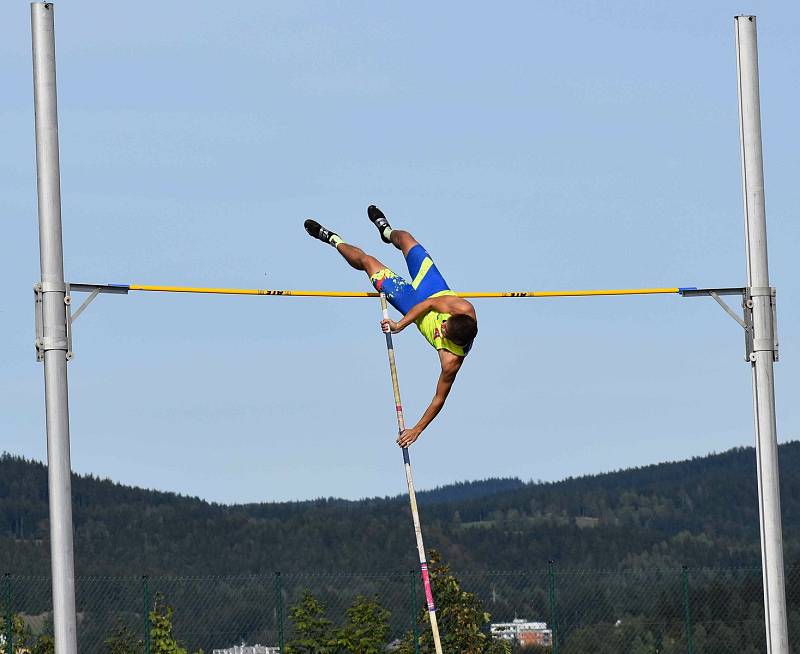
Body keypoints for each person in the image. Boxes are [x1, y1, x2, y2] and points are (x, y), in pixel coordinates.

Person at [304, 205, 478, 447]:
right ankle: (386, 232)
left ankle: (332, 239)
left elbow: (439, 398)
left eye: (444, 330)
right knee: (405, 239)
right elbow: (429, 304)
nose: (443, 325)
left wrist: (417, 429)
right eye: (446, 321)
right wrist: (400, 325)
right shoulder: (465, 309)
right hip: (432, 291)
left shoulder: (450, 362)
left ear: (451, 342)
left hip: (409, 302)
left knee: (367, 262)